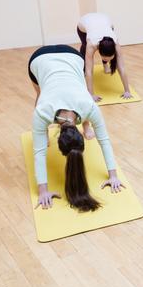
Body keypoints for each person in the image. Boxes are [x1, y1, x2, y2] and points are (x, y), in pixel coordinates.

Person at [28, 44, 125, 211]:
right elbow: (39, 151)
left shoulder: (89, 106)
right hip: (39, 59)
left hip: (74, 58)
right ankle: (42, 133)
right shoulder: (42, 112)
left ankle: (86, 127)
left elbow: (104, 140)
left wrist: (114, 176)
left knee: (81, 91)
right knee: (41, 94)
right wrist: (42, 190)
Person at [77, 12, 132, 102]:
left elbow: (122, 68)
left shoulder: (115, 43)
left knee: (107, 46)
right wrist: (91, 94)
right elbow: (89, 70)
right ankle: (81, 72)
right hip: (84, 24)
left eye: (110, 59)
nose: (110, 60)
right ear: (99, 51)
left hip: (104, 21)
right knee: (84, 47)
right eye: (105, 59)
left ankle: (106, 67)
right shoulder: (91, 44)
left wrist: (127, 91)